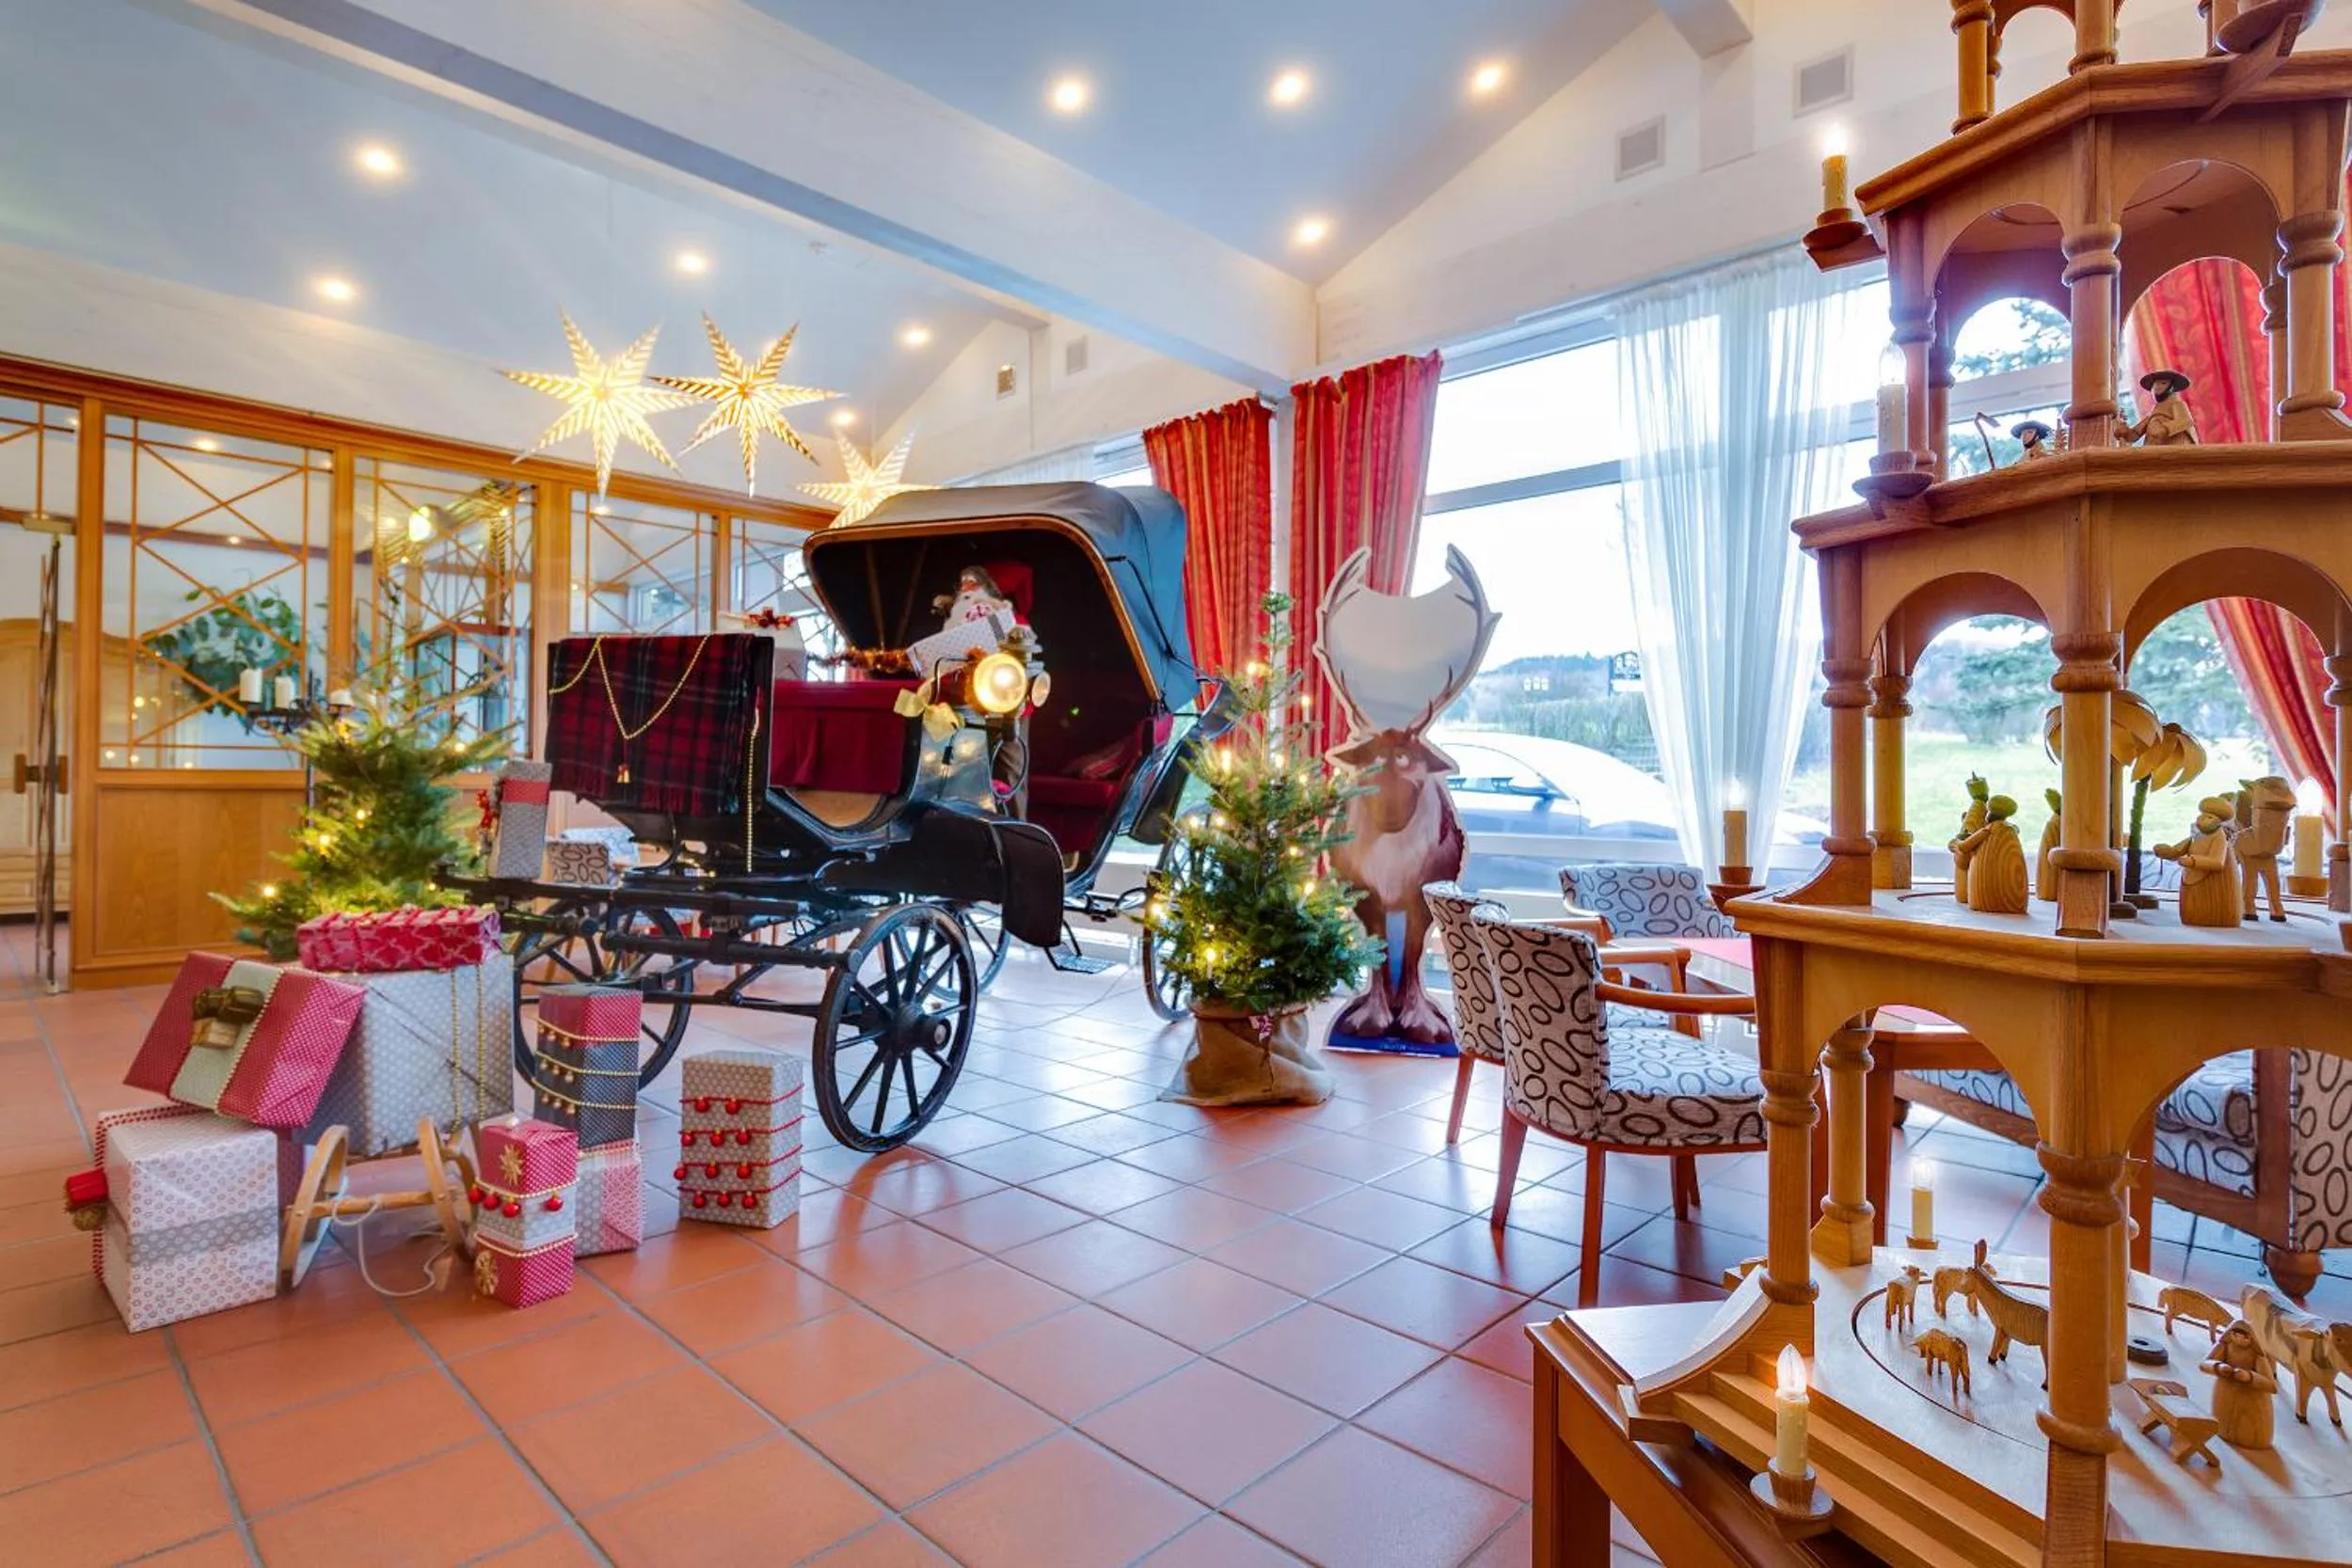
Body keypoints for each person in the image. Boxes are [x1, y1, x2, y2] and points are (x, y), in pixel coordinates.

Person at [2121, 370, 2198, 446]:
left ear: (2171, 387)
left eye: (2163, 383)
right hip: (2155, 453)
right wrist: (2126, 433)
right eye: (2155, 384)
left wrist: (2165, 429)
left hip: (2174, 449)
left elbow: (2185, 421)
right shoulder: (2153, 415)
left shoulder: (2177, 404)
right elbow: (2135, 434)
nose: (2157, 387)